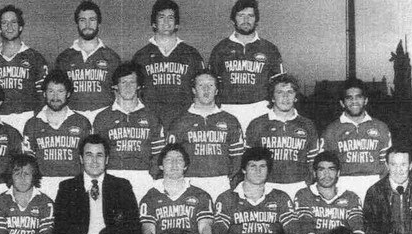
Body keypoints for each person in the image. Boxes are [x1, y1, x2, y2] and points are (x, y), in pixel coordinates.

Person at [52, 134, 140, 234]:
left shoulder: (121, 186)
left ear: (106, 159)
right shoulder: (67, 188)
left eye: (99, 155)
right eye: (89, 155)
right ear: (81, 158)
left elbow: (133, 225)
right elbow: (59, 228)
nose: (94, 160)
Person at [92, 62, 165, 201]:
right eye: (123, 82)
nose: (127, 87)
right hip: (112, 176)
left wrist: (152, 176)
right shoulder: (103, 117)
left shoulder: (151, 116)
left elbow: (159, 153)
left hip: (143, 177)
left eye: (132, 82)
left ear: (139, 86)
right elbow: (97, 153)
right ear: (115, 86)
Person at [168, 69, 245, 201]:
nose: (206, 90)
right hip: (189, 182)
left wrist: (230, 180)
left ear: (216, 90)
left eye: (210, 85)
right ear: (193, 90)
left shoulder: (230, 120)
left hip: (221, 183)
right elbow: (171, 157)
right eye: (201, 85)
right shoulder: (180, 121)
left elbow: (238, 157)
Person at [208, 0, 284, 133]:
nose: (246, 19)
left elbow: (281, 84)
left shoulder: (269, 49)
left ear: (257, 20)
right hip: (228, 108)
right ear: (233, 20)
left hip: (260, 108)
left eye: (250, 16)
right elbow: (210, 83)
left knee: (259, 153)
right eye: (241, 15)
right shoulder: (220, 49)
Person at [132, 0, 205, 130]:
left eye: (170, 18)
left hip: (185, 121)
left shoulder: (191, 54)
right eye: (161, 17)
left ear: (177, 24)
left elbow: (203, 88)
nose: (166, 22)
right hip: (149, 121)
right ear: (154, 23)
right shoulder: (141, 56)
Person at [0, 5, 48, 135]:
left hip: (27, 119)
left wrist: (38, 121)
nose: (9, 27)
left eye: (13, 22)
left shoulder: (35, 58)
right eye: (4, 23)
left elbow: (43, 95)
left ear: (20, 27)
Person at [245, 74, 319, 199]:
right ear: (272, 97)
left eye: (290, 92)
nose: (285, 97)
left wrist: (308, 185)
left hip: (299, 186)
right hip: (267, 186)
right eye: (280, 92)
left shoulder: (308, 125)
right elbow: (248, 161)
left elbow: (313, 162)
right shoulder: (257, 124)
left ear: (296, 97)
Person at [22, 70, 91, 200]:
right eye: (51, 91)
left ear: (68, 94)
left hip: (73, 183)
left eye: (60, 91)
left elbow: (87, 158)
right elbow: (27, 159)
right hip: (42, 185)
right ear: (44, 93)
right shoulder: (32, 124)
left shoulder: (82, 122)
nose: (55, 96)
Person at [320, 78, 392, 202]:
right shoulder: (331, 129)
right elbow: (323, 163)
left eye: (358, 97)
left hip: (374, 183)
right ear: (342, 103)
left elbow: (388, 162)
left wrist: (383, 187)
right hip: (343, 184)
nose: (354, 101)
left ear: (365, 100)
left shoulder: (381, 127)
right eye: (349, 98)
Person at [295, 151, 366, 234]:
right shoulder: (304, 194)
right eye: (321, 170)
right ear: (314, 173)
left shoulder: (351, 196)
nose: (326, 174)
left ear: (338, 173)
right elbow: (305, 224)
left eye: (331, 169)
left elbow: (357, 225)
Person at [55, 1, 121, 124]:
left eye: (92, 19)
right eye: (82, 20)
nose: (87, 24)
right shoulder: (64, 58)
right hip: (72, 119)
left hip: (105, 118)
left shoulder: (112, 57)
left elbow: (120, 92)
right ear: (77, 23)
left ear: (99, 23)